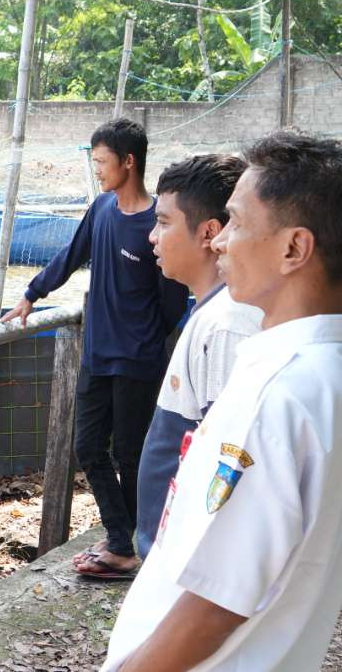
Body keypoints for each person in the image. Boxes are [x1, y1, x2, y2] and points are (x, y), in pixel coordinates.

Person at [103, 130, 342, 671]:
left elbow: (216, 601)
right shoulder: (320, 372)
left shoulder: (280, 393)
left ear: (293, 249)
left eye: (235, 222)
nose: (219, 241)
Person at [1, 118, 188, 578]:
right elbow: (70, 255)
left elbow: (171, 301)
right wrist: (32, 294)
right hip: (97, 354)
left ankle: (127, 544)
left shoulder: (155, 223)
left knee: (130, 453)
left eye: (103, 162)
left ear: (129, 162)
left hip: (137, 359)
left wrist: (142, 336)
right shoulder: (102, 208)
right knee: (88, 446)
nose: (98, 170)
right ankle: (123, 538)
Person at [135, 154, 262, 562]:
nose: (152, 237)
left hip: (188, 560)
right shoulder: (212, 312)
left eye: (164, 222)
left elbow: (226, 469)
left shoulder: (227, 324)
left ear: (209, 232)